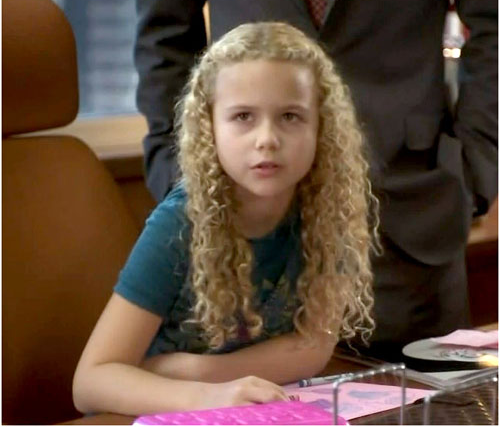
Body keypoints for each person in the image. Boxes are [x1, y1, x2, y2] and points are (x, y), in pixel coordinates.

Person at [134, 0, 498, 356]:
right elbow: (163, 34)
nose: (267, 138)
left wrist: (476, 170)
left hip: (411, 209)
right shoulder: (171, 229)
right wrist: (189, 178)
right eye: (243, 117)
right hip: (239, 234)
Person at [73, 22, 379, 415]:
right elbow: (91, 383)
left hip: (250, 410)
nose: (267, 139)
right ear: (210, 128)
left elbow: (313, 349)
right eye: (243, 116)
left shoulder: (327, 208)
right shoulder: (180, 221)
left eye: (290, 116)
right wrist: (207, 395)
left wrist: (191, 371)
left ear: (322, 127)